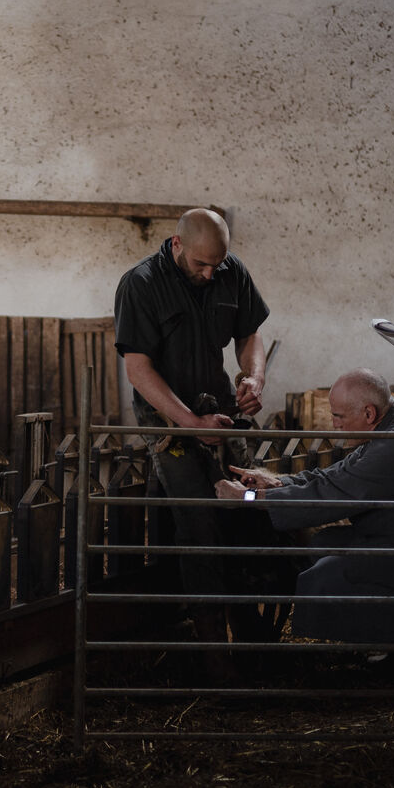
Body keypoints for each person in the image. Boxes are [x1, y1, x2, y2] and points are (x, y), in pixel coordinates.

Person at [216, 369, 394, 684]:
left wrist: (249, 497)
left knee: (330, 577)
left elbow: (332, 494)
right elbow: (336, 476)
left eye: (338, 416)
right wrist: (277, 483)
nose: (334, 424)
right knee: (321, 547)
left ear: (368, 413)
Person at [113, 208, 270, 683]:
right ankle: (215, 657)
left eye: (216, 265)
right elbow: (138, 370)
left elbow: (249, 334)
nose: (209, 274)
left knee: (248, 501)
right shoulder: (140, 284)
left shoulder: (229, 270)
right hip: (170, 422)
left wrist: (254, 377)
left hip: (218, 410)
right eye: (201, 264)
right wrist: (189, 423)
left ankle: (253, 636)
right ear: (176, 244)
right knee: (199, 522)